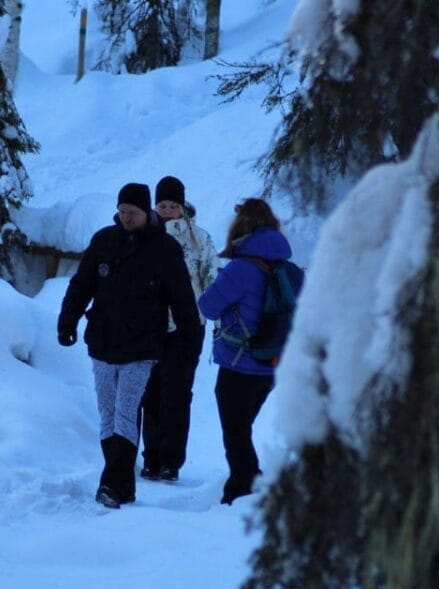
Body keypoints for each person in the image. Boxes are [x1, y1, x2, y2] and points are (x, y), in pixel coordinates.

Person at [57, 182, 201, 509]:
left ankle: (110, 484)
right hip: (103, 343)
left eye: (132, 213)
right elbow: (82, 285)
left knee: (125, 413)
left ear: (145, 211)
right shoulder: (104, 241)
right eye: (121, 212)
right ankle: (125, 485)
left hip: (142, 348)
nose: (126, 218)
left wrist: (191, 340)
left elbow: (182, 298)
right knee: (107, 415)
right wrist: (67, 321)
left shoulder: (164, 248)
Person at [197, 198, 293, 505]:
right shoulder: (287, 267)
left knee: (235, 433)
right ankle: (247, 483)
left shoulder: (240, 268)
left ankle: (241, 492)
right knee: (243, 429)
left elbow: (208, 307)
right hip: (273, 363)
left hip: (240, 365)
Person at [139, 176, 216, 482]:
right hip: (150, 327)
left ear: (183, 207)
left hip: (187, 327)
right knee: (150, 394)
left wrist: (211, 314)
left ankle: (172, 461)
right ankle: (151, 458)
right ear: (155, 206)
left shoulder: (200, 239)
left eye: (173, 205)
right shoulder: (145, 236)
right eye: (163, 205)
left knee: (178, 393)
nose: (168, 210)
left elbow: (211, 278)